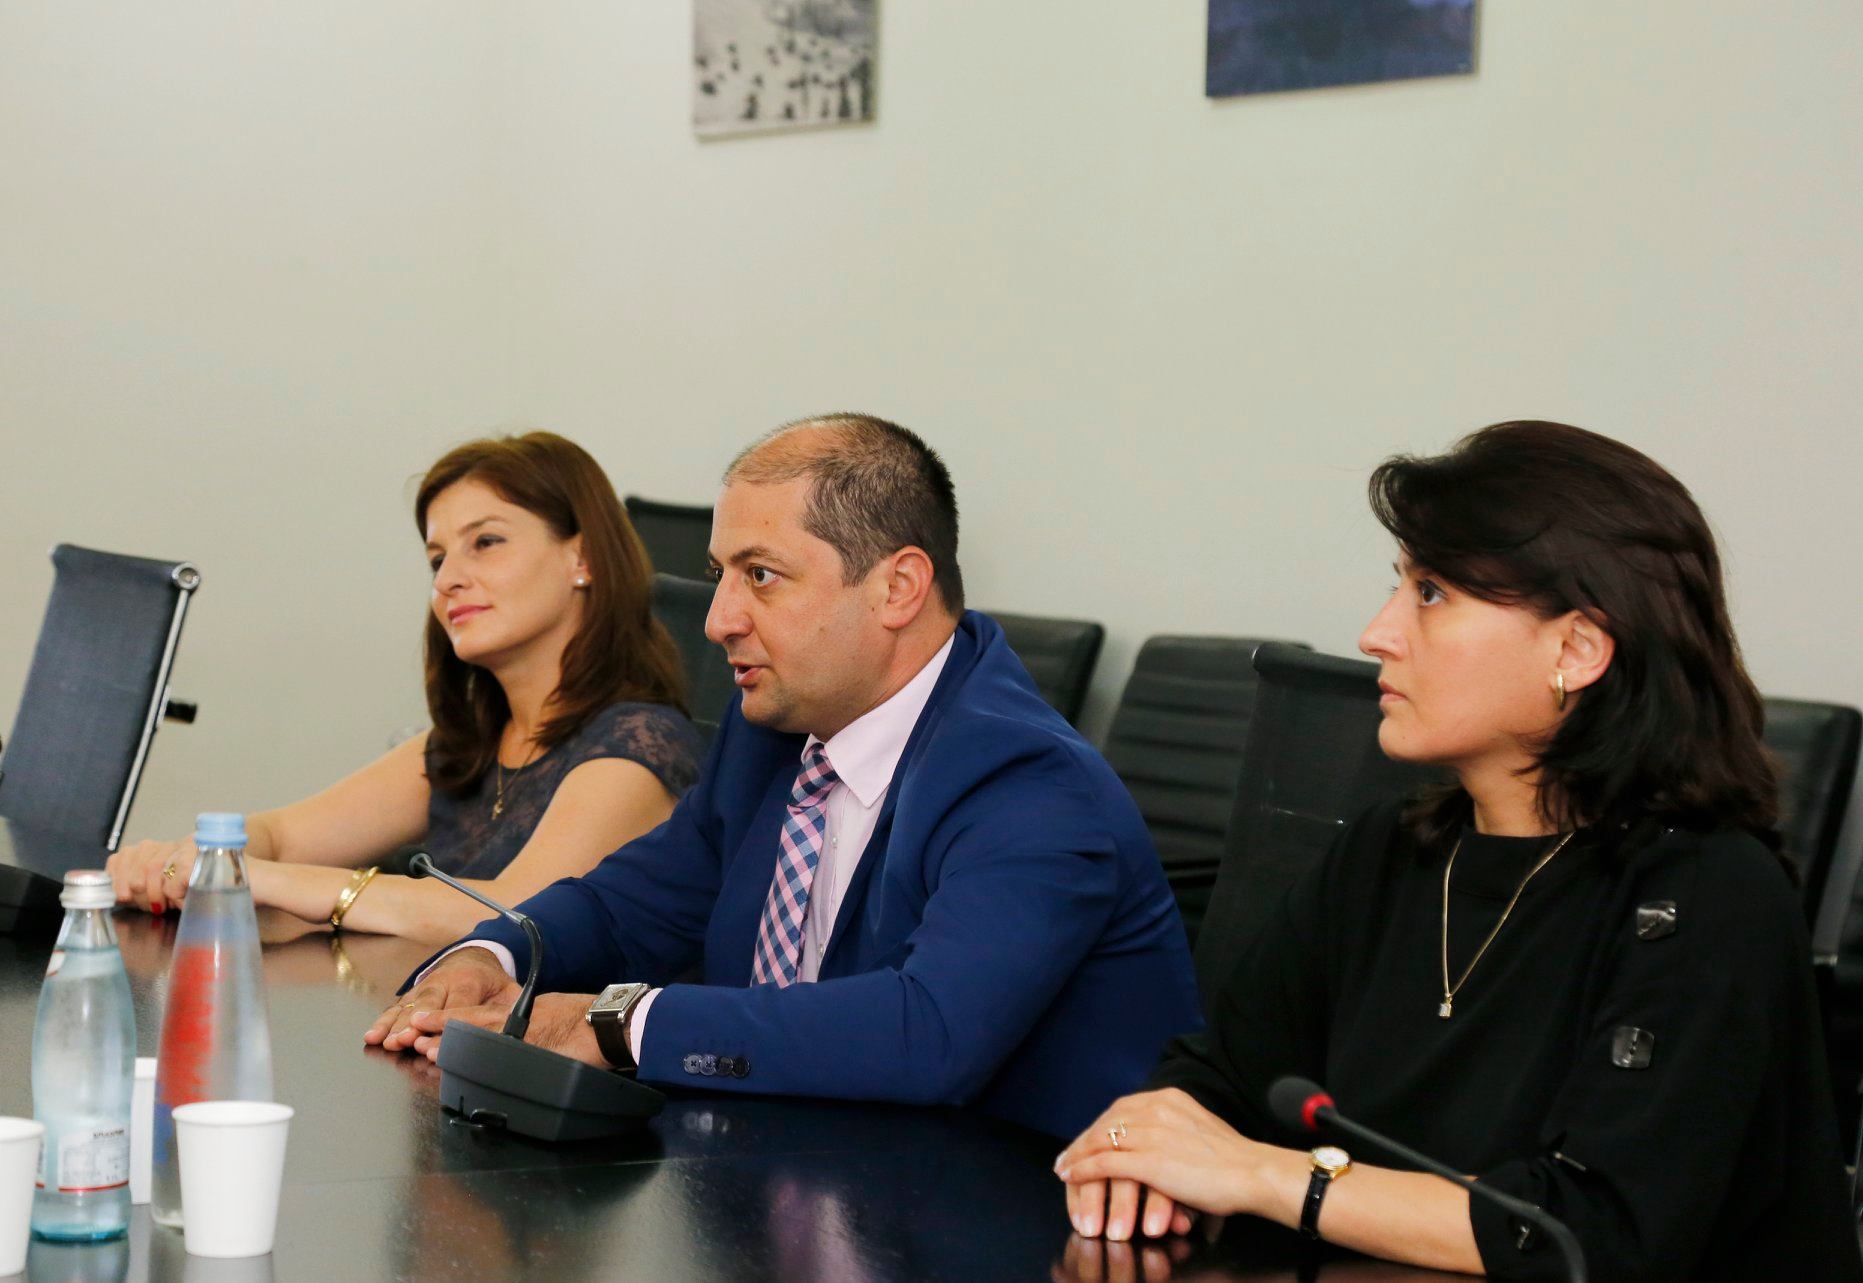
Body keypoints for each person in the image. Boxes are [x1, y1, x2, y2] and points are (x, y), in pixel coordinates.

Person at [1054, 422, 1862, 1281]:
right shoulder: (1388, 849)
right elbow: (1223, 1072)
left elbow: (1590, 1231)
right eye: (1398, 586)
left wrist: (1264, 1175)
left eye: (1432, 593)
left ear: (1575, 649)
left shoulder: (1704, 895)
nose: (1376, 633)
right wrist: (1146, 1146)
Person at [366, 413, 1202, 1138]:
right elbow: (631, 904)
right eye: (720, 574)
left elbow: (927, 1033)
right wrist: (492, 956)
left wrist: (613, 1021)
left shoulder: (1029, 781)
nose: (718, 619)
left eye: (760, 575)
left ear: (898, 587)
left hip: (1021, 1214)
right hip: (794, 1171)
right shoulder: (773, 730)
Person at [107, 432, 703, 945]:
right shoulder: (466, 744)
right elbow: (281, 837)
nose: (448, 580)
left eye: (485, 542)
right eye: (437, 560)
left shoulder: (642, 743)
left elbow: (518, 912)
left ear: (584, 558)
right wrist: (182, 860)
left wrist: (258, 877)